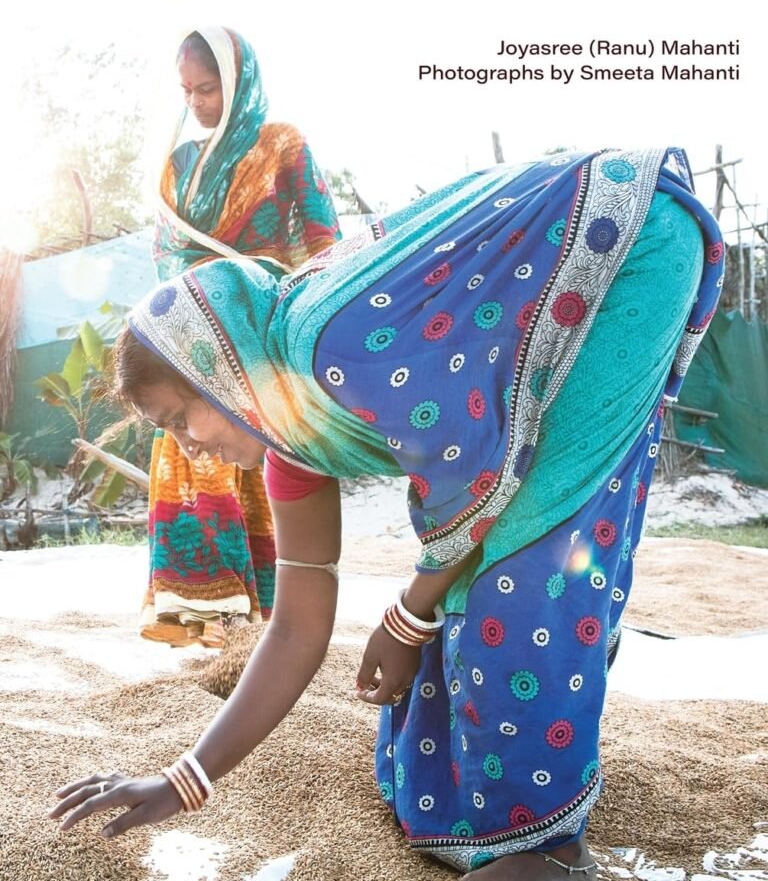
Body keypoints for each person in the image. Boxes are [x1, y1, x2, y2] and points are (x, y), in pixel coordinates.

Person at [51, 148, 723, 877]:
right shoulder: (289, 437)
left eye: (183, 418)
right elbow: (298, 621)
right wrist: (187, 777)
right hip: (586, 267)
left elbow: (479, 484)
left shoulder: (322, 344)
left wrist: (408, 615)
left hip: (627, 246)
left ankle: (551, 847)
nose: (194, 449)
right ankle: (515, 811)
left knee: (526, 558)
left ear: (219, 367)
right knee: (461, 578)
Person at [141, 25, 341, 648]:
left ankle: (261, 618)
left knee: (255, 455)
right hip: (186, 334)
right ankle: (200, 610)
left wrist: (304, 320)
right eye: (188, 91)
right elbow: (164, 251)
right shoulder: (178, 164)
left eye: (208, 88)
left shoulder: (282, 145)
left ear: (238, 81)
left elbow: (322, 241)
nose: (198, 103)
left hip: (257, 334)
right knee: (188, 446)